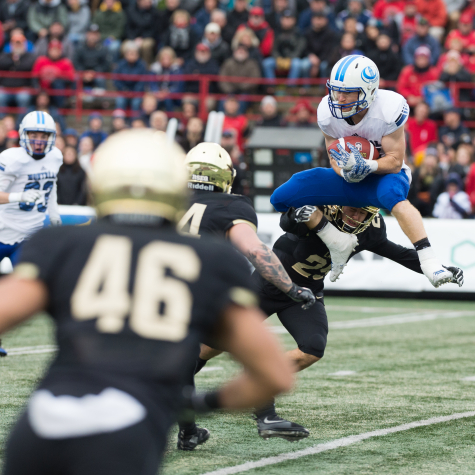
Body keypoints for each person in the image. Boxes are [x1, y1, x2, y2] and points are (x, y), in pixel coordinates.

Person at [0, 129, 294, 474]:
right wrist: (198, 404)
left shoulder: (60, 242)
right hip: (126, 430)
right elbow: (274, 374)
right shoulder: (211, 258)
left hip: (41, 422)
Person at [196, 202, 464, 439]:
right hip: (270, 284)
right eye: (352, 209)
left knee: (312, 348)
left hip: (306, 294)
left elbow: (398, 253)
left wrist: (437, 267)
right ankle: (169, 386)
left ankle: (262, 390)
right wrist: (299, 214)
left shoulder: (370, 230)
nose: (357, 217)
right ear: (337, 205)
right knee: (212, 345)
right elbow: (287, 221)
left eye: (363, 212)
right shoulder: (319, 211)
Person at [270, 55, 456, 288]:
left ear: (368, 91)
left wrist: (368, 166)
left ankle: (429, 259)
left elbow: (396, 162)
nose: (339, 97)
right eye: (337, 90)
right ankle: (336, 241)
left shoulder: (388, 109)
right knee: (282, 198)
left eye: (348, 92)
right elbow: (333, 155)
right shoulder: (327, 113)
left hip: (381, 176)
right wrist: (345, 170)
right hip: (349, 178)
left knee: (393, 198)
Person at [176, 142, 315, 448]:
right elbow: (255, 250)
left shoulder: (166, 200)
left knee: (182, 357)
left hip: (157, 294)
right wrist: (290, 288)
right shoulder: (232, 206)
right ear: (225, 177)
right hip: (204, 296)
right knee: (258, 355)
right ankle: (265, 415)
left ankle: (187, 431)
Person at [0, 110, 62, 272]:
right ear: (23, 134)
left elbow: (51, 183)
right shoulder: (11, 159)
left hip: (29, 235)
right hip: (2, 231)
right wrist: (19, 196)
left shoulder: (55, 156)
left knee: (25, 286)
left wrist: (54, 214)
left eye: (44, 136)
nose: (39, 141)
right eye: (33, 135)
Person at [262, 10, 308, 84]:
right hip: (278, 59)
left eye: (289, 18)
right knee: (266, 63)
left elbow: (299, 49)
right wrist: (278, 58)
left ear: (294, 20)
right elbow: (273, 48)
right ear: (281, 19)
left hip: (292, 59)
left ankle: (290, 88)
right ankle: (272, 87)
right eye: (285, 18)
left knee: (297, 64)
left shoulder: (298, 32)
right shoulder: (276, 31)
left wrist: (289, 59)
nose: (287, 21)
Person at [32, 40, 76, 108]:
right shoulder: (41, 61)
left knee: (57, 83)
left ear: (60, 51)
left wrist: (57, 77)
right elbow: (34, 77)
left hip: (58, 92)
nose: (54, 52)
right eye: (52, 50)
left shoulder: (66, 63)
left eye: (57, 50)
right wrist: (37, 89)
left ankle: (61, 108)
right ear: (48, 50)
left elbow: (71, 79)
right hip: (42, 91)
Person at [0, 32, 35, 112]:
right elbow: (2, 64)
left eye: (19, 43)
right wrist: (14, 60)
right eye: (15, 43)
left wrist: (17, 61)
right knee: (0, 97)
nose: (17, 46)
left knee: (23, 98)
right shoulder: (5, 55)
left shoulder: (30, 56)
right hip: (5, 88)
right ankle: (2, 120)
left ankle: (21, 120)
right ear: (11, 45)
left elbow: (27, 66)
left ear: (24, 44)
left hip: (22, 89)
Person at [113, 41, 149, 112]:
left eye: (134, 53)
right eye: (130, 53)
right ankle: (119, 121)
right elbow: (116, 79)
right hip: (123, 91)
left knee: (136, 103)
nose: (132, 55)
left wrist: (135, 91)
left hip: (137, 92)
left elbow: (143, 80)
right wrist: (124, 89)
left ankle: (135, 121)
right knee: (120, 101)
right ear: (125, 54)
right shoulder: (120, 65)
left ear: (138, 55)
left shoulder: (142, 65)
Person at [73, 24, 111, 91]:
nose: (93, 36)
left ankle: (102, 100)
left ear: (99, 35)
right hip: (82, 73)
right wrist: (84, 73)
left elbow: (106, 64)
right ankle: (74, 99)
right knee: (76, 78)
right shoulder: (80, 47)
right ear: (86, 34)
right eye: (91, 34)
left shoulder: (104, 48)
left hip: (97, 73)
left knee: (100, 79)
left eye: (95, 34)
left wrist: (94, 72)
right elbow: (76, 62)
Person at [125, 0, 162, 65]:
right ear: (139, 2)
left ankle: (146, 67)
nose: (148, 2)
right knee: (125, 47)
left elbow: (155, 30)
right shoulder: (131, 10)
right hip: (133, 38)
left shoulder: (155, 12)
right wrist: (133, 38)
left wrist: (142, 38)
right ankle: (126, 69)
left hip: (148, 37)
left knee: (146, 46)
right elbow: (128, 28)